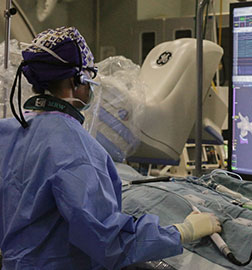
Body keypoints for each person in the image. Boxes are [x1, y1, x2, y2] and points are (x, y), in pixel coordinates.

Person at [0, 26, 221, 270]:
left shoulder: (7, 131)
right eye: (91, 76)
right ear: (77, 81)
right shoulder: (77, 150)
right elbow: (108, 242)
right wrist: (182, 231)